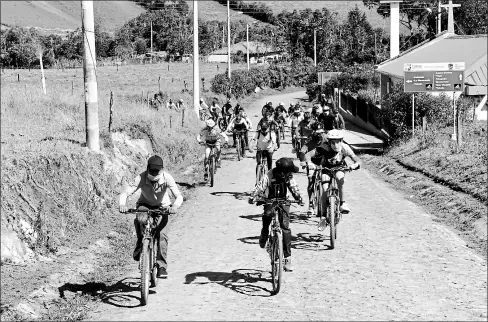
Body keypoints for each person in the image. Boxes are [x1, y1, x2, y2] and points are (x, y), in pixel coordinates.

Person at [119, 155, 183, 279]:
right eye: (152, 170)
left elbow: (179, 196)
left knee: (162, 236)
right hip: (145, 205)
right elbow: (126, 192)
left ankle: (162, 266)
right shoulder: (141, 177)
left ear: (162, 169)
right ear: (147, 168)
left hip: (163, 208)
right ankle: (140, 244)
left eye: (156, 171)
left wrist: (174, 206)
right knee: (140, 220)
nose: (154, 173)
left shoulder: (167, 178)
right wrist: (122, 204)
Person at [248, 157, 304, 272]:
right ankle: (264, 232)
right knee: (267, 215)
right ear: (282, 172)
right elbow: (260, 186)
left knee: (285, 227)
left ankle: (287, 258)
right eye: (289, 172)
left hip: (284, 200)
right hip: (270, 200)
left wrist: (298, 198)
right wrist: (253, 196)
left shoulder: (289, 177)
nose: (290, 174)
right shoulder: (269, 175)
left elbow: (293, 187)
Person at [303, 129, 361, 214]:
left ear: (341, 141)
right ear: (329, 142)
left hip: (340, 168)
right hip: (326, 168)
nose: (336, 145)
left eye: (338, 142)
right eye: (333, 143)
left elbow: (356, 158)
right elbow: (308, 154)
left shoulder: (345, 147)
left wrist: (355, 165)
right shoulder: (323, 147)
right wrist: (309, 163)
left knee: (339, 179)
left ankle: (342, 203)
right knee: (325, 189)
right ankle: (323, 215)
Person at [298, 122, 327, 216]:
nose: (319, 134)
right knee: (311, 182)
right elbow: (303, 149)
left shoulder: (327, 138)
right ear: (313, 132)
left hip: (324, 160)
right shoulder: (310, 138)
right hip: (312, 161)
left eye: (321, 132)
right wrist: (303, 161)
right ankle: (311, 204)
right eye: (317, 132)